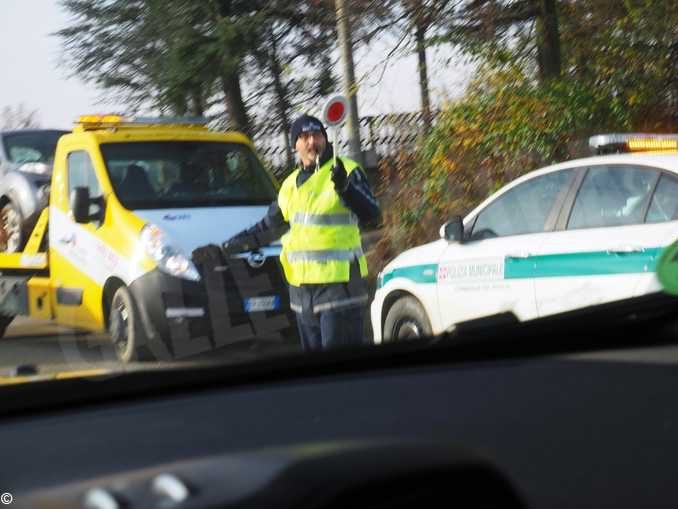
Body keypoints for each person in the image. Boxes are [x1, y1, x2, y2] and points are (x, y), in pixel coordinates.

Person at [192, 114, 380, 351]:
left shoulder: (347, 172)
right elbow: (266, 229)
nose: (312, 142)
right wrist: (224, 250)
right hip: (302, 294)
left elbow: (373, 215)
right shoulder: (289, 186)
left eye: (317, 135)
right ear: (295, 145)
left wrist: (346, 189)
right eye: (304, 137)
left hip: (340, 288)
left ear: (325, 139)